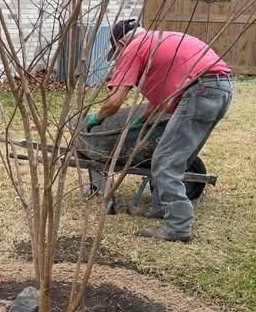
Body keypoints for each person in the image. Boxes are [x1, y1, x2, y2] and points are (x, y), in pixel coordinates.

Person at [85, 20, 233, 242]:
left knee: (165, 160)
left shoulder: (134, 47)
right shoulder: (158, 40)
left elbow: (115, 101)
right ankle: (161, 208)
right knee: (178, 157)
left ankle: (178, 229)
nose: (118, 57)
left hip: (201, 90)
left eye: (117, 52)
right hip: (220, 88)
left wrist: (96, 118)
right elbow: (160, 99)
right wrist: (141, 121)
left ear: (123, 43)